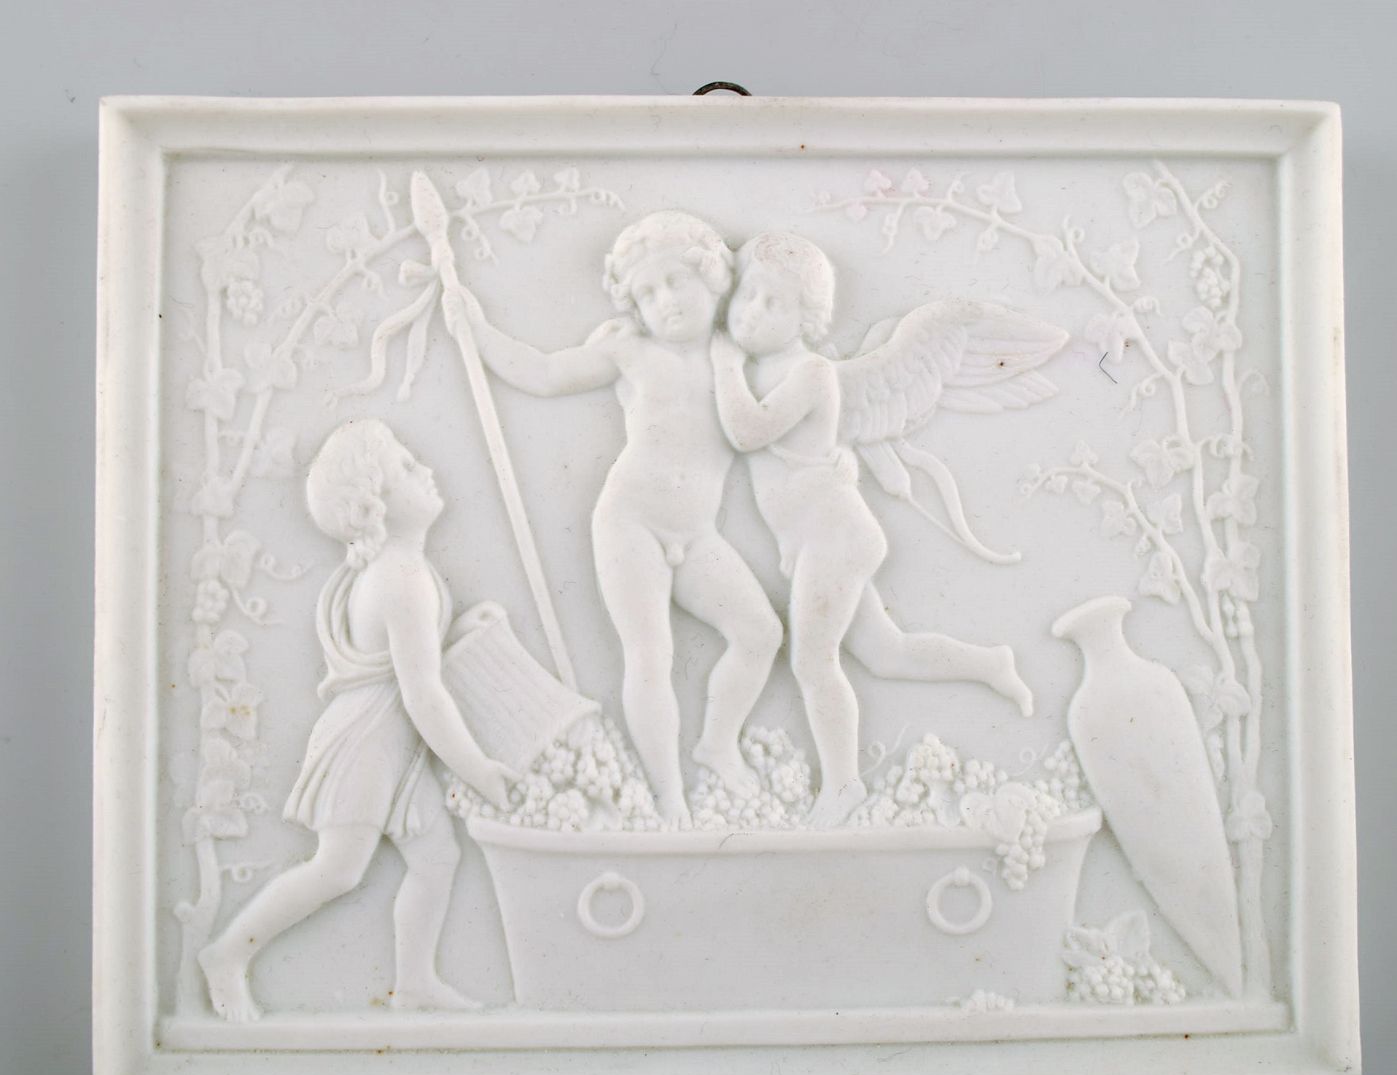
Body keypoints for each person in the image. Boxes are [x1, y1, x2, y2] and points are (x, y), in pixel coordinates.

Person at [449, 211, 782, 816]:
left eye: (676, 281)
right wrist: (475, 328)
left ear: (713, 277)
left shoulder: (736, 352)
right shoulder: (630, 350)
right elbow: (545, 374)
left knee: (761, 633)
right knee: (650, 654)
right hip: (631, 523)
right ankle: (669, 796)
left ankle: (716, 744)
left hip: (696, 533)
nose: (665, 301)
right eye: (647, 293)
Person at [712, 233, 1034, 827]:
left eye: (773, 302)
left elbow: (747, 431)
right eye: (747, 294)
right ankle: (991, 663)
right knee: (888, 653)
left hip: (834, 536)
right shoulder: (768, 369)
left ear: (807, 320)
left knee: (813, 663)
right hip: (814, 538)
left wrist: (723, 365)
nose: (751, 311)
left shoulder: (810, 373)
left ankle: (843, 788)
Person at [198, 420, 514, 1022]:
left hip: (394, 746)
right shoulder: (403, 579)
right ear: (375, 504)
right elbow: (422, 695)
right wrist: (477, 769)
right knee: (338, 869)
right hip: (367, 744)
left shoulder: (402, 571)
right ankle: (227, 955)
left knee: (436, 859)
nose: (425, 470)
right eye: (406, 468)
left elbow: (404, 663)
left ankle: (415, 982)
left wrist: (458, 633)